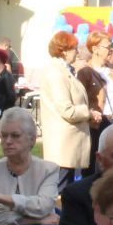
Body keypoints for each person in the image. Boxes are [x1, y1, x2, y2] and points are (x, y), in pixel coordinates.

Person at [0, 110, 61, 225]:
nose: (8, 141)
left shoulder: (49, 170)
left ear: (32, 139)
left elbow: (43, 207)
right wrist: (35, 221)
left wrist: (1, 198)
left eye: (15, 135)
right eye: (4, 136)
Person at [36, 31, 94, 182]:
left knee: (65, 192)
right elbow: (66, 110)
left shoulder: (64, 70)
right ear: (63, 51)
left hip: (68, 146)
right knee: (59, 193)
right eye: (74, 48)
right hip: (62, 147)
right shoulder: (56, 73)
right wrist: (88, 113)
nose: (77, 52)